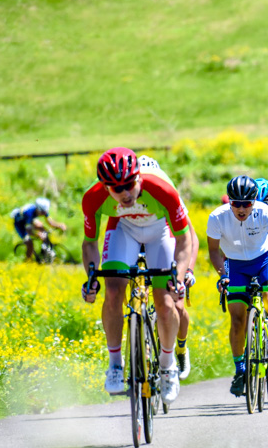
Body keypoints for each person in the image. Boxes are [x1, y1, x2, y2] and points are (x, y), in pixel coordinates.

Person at [81, 148, 192, 405]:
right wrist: (91, 278)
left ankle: (167, 366)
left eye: (130, 185)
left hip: (160, 231)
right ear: (105, 186)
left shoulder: (162, 189)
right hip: (124, 230)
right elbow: (89, 244)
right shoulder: (93, 197)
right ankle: (115, 364)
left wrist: (179, 274)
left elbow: (185, 239)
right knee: (112, 290)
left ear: (139, 176)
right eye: (116, 189)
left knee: (165, 303)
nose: (125, 193)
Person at [207, 175, 268, 397]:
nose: (242, 209)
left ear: (255, 201)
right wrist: (223, 275)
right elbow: (214, 251)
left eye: (247, 203)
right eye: (236, 203)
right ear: (229, 201)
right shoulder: (217, 218)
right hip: (235, 265)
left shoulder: (265, 212)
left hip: (263, 260)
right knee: (237, 320)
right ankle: (240, 369)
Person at [138, 155, 199, 381]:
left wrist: (188, 271)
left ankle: (180, 349)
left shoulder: (169, 196)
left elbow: (192, 238)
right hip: (141, 250)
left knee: (177, 306)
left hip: (170, 249)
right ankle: (140, 338)